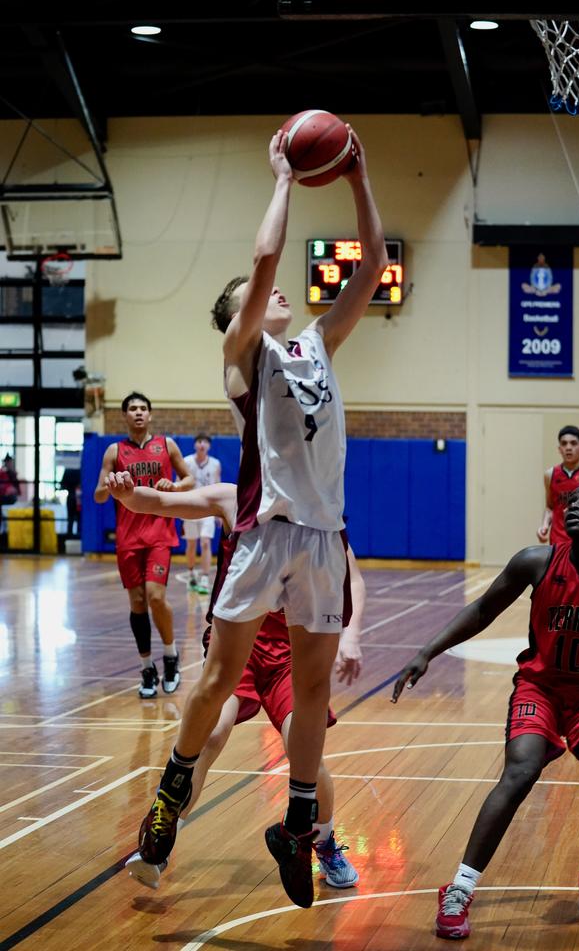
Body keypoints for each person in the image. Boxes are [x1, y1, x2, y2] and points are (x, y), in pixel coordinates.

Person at [134, 126, 387, 909]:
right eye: (258, 297)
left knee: (311, 699)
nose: (276, 294)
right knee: (214, 683)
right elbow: (264, 263)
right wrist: (282, 177)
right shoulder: (245, 355)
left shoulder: (317, 343)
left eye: (274, 295)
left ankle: (299, 821)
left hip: (320, 536)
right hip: (264, 532)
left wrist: (358, 175)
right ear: (238, 316)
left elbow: (373, 265)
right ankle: (171, 798)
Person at [393, 477, 579, 939]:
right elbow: (481, 610)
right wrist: (426, 651)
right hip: (540, 689)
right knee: (521, 769)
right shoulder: (537, 561)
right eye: (571, 500)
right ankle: (460, 888)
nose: (573, 506)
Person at [103, 472, 363, 892]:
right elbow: (162, 505)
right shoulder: (234, 499)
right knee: (211, 733)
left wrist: (351, 634)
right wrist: (128, 494)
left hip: (289, 656)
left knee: (304, 746)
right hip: (238, 645)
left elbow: (355, 576)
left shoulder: (319, 513)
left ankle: (326, 839)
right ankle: (162, 836)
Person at [93, 391, 194, 698]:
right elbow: (98, 493)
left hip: (160, 534)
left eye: (143, 408)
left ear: (150, 415)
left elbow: (189, 480)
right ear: (125, 415)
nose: (138, 413)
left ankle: (171, 656)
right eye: (132, 409)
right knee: (137, 602)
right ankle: (147, 667)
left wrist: (174, 486)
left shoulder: (167, 445)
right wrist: (112, 487)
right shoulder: (114, 451)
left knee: (155, 596)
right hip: (128, 538)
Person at [537, 425, 579, 546]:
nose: (568, 447)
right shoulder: (550, 475)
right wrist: (544, 526)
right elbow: (550, 507)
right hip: (558, 541)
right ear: (559, 449)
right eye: (564, 444)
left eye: (573, 443)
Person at [182, 433, 222, 593]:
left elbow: (218, 486)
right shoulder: (186, 462)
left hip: (208, 508)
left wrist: (219, 512)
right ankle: (191, 573)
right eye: (199, 441)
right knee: (191, 544)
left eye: (205, 442)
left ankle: (205, 578)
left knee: (205, 542)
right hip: (190, 507)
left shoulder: (215, 464)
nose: (202, 444)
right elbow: (180, 484)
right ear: (194, 445)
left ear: (209, 446)